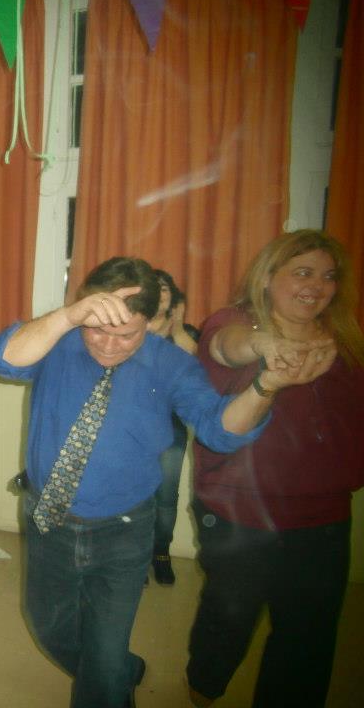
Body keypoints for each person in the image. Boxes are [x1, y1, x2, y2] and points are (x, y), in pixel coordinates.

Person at [0, 256, 333, 708]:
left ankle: (111, 674)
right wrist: (69, 316)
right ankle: (121, 671)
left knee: (103, 659)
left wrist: (266, 385)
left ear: (149, 323)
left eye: (126, 335)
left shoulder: (172, 364)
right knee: (49, 628)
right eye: (98, 330)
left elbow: (221, 431)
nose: (108, 345)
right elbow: (0, 359)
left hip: (123, 530)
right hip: (48, 515)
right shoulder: (60, 338)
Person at [186, 230, 364, 708]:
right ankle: (203, 687)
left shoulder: (348, 337)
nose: (316, 286)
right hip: (239, 507)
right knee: (229, 617)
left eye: (328, 276)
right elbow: (227, 346)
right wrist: (266, 344)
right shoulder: (235, 322)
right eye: (302, 272)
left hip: (325, 513)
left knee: (309, 634)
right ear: (267, 277)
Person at [146, 269, 198, 585]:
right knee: (134, 495)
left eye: (165, 287)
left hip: (171, 429)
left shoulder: (186, 333)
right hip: (134, 427)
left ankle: (161, 552)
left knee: (165, 496)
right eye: (153, 287)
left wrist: (176, 327)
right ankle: (136, 556)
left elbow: (195, 363)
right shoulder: (131, 328)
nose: (159, 292)